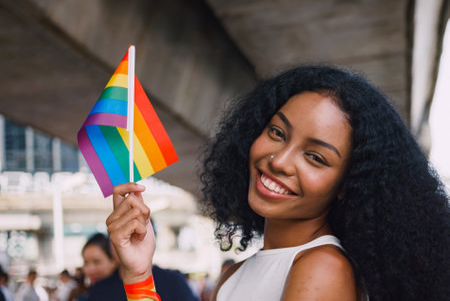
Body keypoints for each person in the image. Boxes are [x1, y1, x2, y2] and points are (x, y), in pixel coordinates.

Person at [106, 65, 449, 301]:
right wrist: (138, 274)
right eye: (277, 132)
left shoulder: (323, 267)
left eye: (315, 157)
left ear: (349, 183)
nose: (280, 161)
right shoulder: (235, 275)